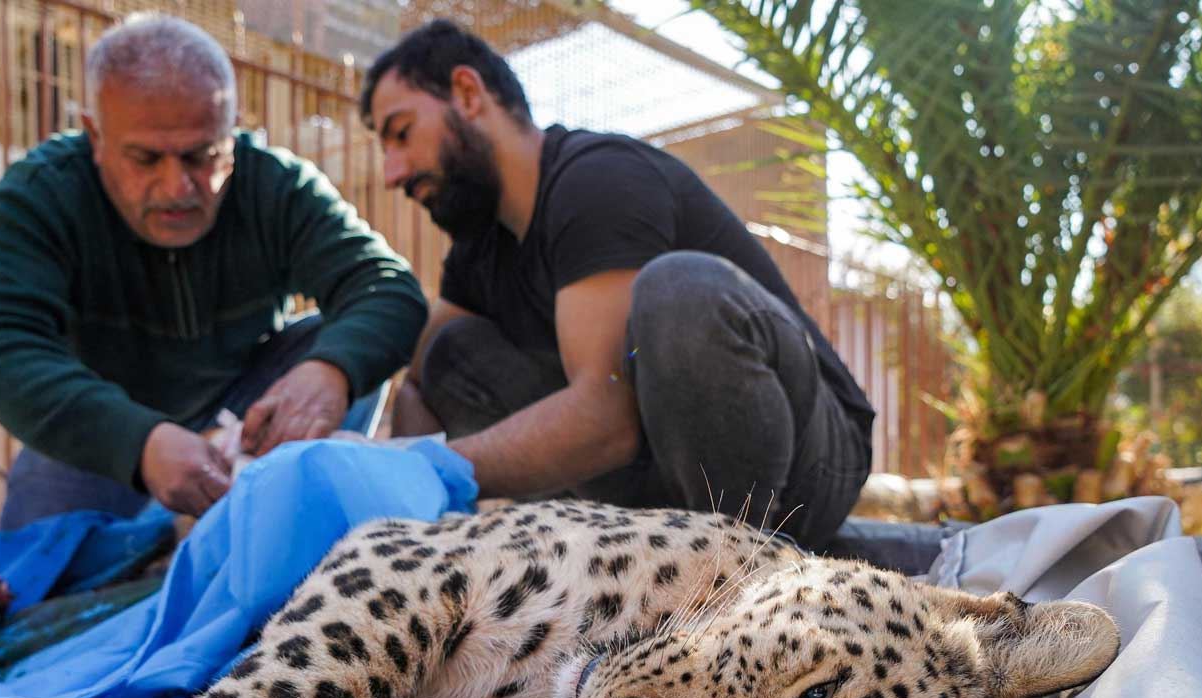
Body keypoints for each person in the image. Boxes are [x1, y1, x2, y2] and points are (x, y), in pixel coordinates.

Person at [360, 20, 875, 549]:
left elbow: (604, 419)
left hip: (807, 464)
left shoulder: (597, 180)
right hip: (661, 481)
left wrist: (430, 467)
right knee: (452, 352)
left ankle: (735, 563)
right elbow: (421, 381)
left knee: (679, 291)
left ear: (468, 94)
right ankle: (610, 561)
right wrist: (412, 513)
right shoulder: (481, 248)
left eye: (401, 134)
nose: (391, 172)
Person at [0, 13, 427, 528]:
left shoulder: (277, 185)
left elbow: (387, 286)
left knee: (336, 340)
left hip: (245, 422)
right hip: (102, 438)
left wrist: (330, 373)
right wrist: (141, 441)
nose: (177, 187)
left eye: (202, 156)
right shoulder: (41, 194)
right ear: (94, 135)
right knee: (39, 590)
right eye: (144, 158)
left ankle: (283, 525)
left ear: (233, 130)